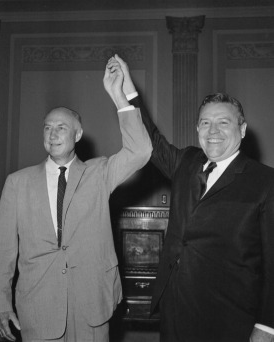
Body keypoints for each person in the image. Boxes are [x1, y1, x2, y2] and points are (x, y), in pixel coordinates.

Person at [0, 57, 152, 342]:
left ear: (77, 134)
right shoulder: (17, 183)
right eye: (47, 128)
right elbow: (3, 251)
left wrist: (118, 95)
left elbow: (140, 151)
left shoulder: (99, 173)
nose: (52, 134)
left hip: (92, 305)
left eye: (61, 127)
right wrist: (0, 304)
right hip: (38, 307)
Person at [115, 55, 274, 342]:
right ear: (197, 129)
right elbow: (151, 140)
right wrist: (128, 92)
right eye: (205, 123)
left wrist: (267, 325)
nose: (213, 131)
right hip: (176, 308)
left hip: (230, 319)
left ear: (242, 130)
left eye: (223, 122)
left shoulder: (266, 181)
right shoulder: (187, 161)